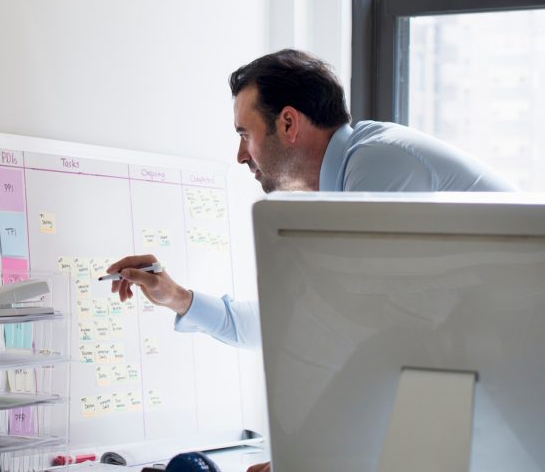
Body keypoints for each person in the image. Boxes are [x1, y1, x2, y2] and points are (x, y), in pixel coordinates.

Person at [107, 48, 516, 349]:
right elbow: (293, 324)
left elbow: (351, 329)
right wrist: (177, 298)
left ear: (288, 123)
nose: (240, 155)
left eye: (245, 134)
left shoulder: (378, 163)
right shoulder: (341, 191)